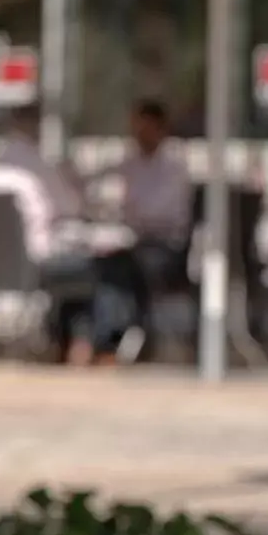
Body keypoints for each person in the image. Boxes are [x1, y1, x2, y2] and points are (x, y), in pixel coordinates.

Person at [0, 104, 107, 364]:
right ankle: (80, 346)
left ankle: (58, 341)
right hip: (38, 260)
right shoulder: (33, 169)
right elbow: (71, 207)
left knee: (73, 268)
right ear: (36, 127)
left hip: (1, 266)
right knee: (92, 269)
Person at [90, 99, 193, 359]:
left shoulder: (174, 168)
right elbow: (98, 180)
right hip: (134, 243)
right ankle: (108, 339)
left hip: (166, 246)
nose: (139, 135)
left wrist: (125, 212)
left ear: (160, 129)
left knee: (122, 268)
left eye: (145, 128)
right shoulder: (131, 163)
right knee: (107, 265)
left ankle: (111, 342)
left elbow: (158, 213)